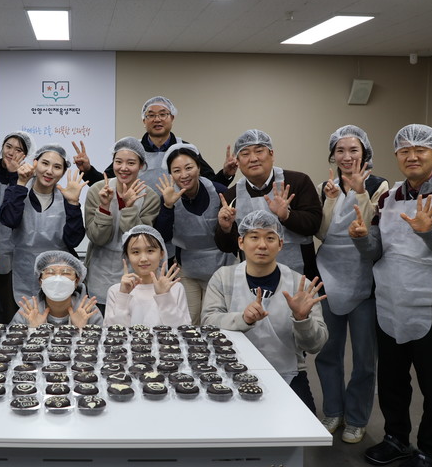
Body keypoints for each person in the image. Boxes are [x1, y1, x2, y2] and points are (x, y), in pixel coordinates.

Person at [350, 124, 432, 467]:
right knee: (392, 382)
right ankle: (396, 439)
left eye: (420, 150)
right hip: (389, 305)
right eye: (404, 151)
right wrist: (361, 238)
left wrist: (429, 232)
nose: (412, 156)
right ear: (397, 156)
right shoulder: (386, 198)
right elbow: (376, 252)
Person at [202, 210, 327, 413]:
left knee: (303, 427)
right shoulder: (223, 278)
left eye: (270, 238)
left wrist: (302, 319)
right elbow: (208, 322)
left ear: (280, 244)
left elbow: (315, 345)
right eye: (254, 237)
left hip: (287, 374)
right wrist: (243, 318)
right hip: (229, 372)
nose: (262, 245)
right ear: (241, 242)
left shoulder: (300, 285)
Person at [313, 125, 389, 445]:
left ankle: (356, 418)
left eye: (353, 150)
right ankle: (333, 411)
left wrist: (359, 191)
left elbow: (372, 227)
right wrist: (331, 200)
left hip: (364, 278)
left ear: (365, 152)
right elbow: (321, 232)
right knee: (327, 351)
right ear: (333, 154)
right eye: (340, 150)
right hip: (329, 274)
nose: (346, 156)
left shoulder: (379, 184)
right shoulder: (324, 186)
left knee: (364, 357)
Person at [216, 129, 322, 278]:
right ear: (238, 162)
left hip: (301, 275)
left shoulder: (297, 182)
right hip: (254, 279)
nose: (253, 158)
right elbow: (228, 247)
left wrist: (287, 216)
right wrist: (225, 229)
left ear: (272, 154)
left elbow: (315, 224)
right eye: (245, 154)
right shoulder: (230, 196)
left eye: (259, 151)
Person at [73, 96, 237, 188]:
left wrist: (226, 174)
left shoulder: (186, 150)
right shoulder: (132, 150)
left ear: (172, 118)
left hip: (178, 217)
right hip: (138, 214)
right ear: (144, 121)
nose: (157, 119)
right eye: (151, 115)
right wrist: (87, 170)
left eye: (163, 114)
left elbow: (210, 185)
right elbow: (106, 183)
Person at [154, 143, 234, 323]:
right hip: (187, 270)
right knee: (187, 320)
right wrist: (167, 206)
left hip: (221, 268)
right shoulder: (168, 197)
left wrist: (226, 225)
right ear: (171, 174)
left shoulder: (219, 192)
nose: (184, 175)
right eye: (176, 171)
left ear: (199, 167)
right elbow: (162, 237)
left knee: (214, 320)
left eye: (189, 168)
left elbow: (233, 237)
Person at [0, 144, 86, 305]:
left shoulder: (66, 198)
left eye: (57, 167)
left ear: (63, 172)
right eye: (45, 163)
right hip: (23, 268)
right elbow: (9, 220)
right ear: (35, 163)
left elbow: (73, 240)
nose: (49, 171)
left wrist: (73, 203)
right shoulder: (19, 190)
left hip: (58, 272)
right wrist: (20, 184)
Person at [84, 137, 159, 309]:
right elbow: (97, 238)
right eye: (118, 162)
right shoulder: (97, 190)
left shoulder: (150, 197)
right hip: (99, 273)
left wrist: (129, 208)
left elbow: (139, 242)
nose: (123, 168)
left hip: (135, 274)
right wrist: (104, 207)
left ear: (141, 166)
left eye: (131, 163)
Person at [0, 131, 35, 322]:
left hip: (14, 246)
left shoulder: (28, 177)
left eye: (18, 150)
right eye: (8, 147)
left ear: (25, 155)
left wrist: (16, 176)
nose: (11, 152)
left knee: (8, 299)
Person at [104, 225, 188, 327]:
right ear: (127, 256)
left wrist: (164, 297)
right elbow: (112, 331)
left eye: (150, 251)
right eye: (135, 252)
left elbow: (182, 330)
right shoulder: (116, 291)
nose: (143, 258)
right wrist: (123, 296)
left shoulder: (175, 289)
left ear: (162, 254)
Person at [11, 250, 103, 328]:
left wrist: (80, 329)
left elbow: (102, 341)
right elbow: (11, 340)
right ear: (40, 280)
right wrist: (34, 330)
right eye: (50, 272)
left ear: (76, 281)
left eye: (66, 273)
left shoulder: (88, 309)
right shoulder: (29, 309)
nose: (58, 279)